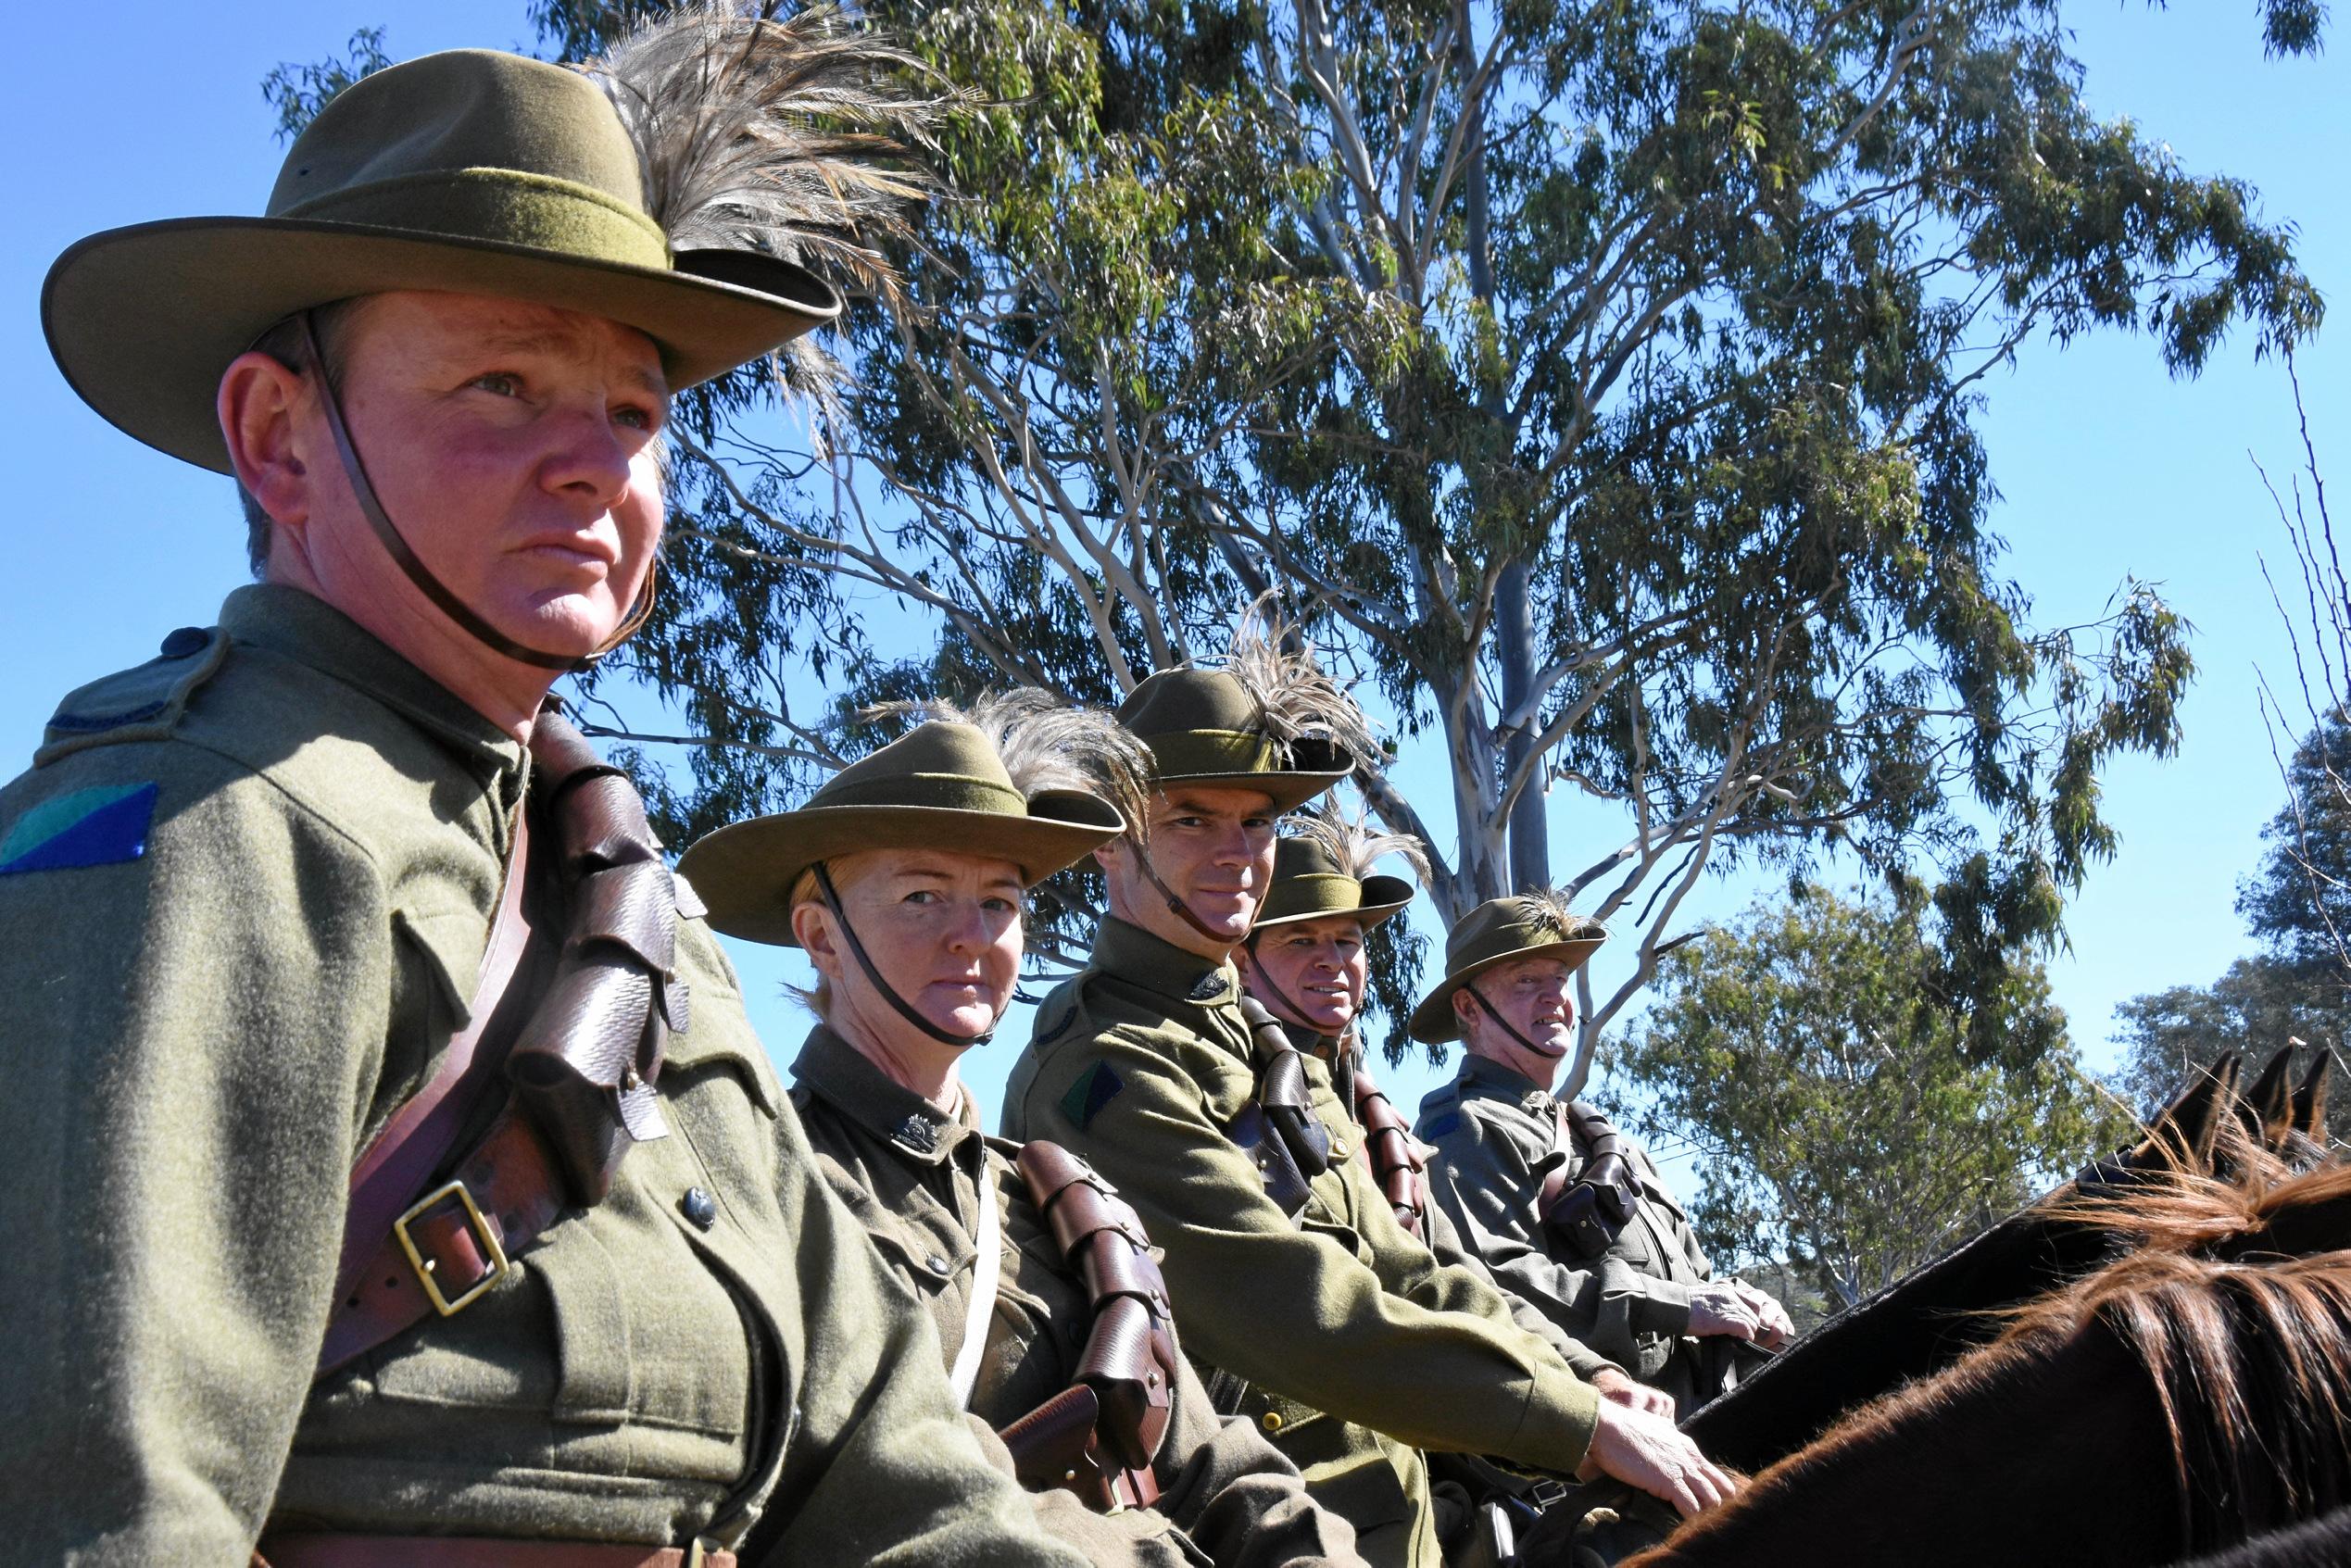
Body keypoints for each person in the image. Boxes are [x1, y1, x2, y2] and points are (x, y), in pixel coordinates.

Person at [0, 18, 1086, 1565]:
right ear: (276, 436)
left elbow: (896, 1477)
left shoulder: (623, 902)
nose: (594, 462)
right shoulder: (208, 828)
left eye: (637, 411)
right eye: (502, 381)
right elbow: (100, 1513)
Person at [1000, 619, 1739, 1568]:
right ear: (1112, 844)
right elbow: (1293, 1304)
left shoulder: (1263, 1043)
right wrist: (1571, 1422)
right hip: (1252, 1538)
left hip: (1397, 1528)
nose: (1235, 850)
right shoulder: (1101, 1070)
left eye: (1256, 819)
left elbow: (1406, 1265)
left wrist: (1585, 1375)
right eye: (1191, 818)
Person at [677, 693, 1369, 1568]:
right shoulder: (767, 1190)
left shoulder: (1053, 1200)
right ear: (821, 934)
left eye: (999, 903)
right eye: (924, 895)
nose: (972, 936)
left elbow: (1209, 1463)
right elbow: (887, 1503)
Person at [1410, 894, 1795, 1413]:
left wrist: (1743, 1303)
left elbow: (1697, 1280)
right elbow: (1496, 1282)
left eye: (1559, 980)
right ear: (1468, 1007)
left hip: (1704, 1418)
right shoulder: (1467, 1129)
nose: (1554, 999)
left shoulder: (1598, 1137)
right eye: (1526, 980)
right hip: (1597, 1454)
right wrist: (1681, 1308)